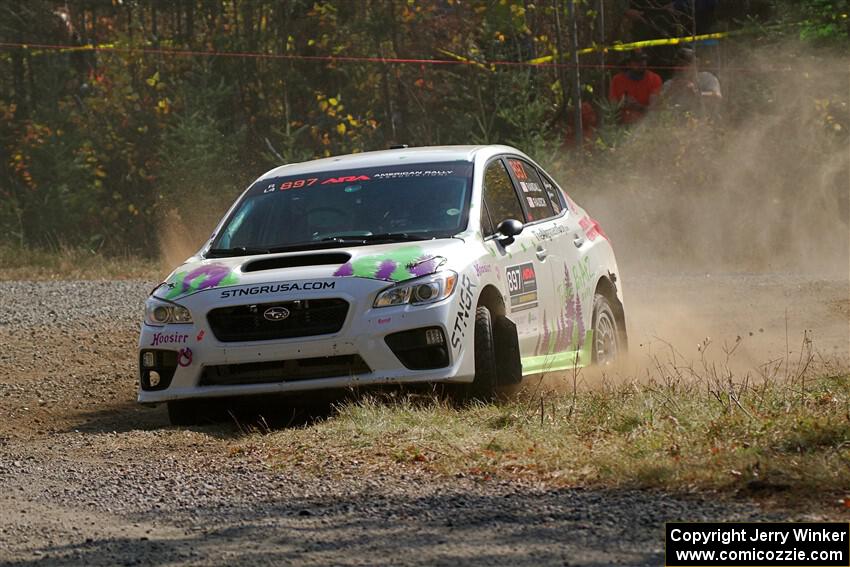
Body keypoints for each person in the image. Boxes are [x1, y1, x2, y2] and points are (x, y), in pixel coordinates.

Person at [660, 47, 721, 114]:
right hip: (677, 122)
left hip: (704, 121)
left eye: (685, 64)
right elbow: (655, 107)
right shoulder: (669, 84)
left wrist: (695, 93)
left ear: (696, 64)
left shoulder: (707, 78)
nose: (681, 68)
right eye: (678, 64)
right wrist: (670, 92)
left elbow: (717, 98)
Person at [609, 50, 663, 124]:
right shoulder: (617, 80)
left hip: (647, 125)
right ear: (628, 64)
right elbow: (612, 108)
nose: (641, 63)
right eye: (637, 61)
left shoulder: (654, 79)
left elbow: (654, 109)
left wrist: (637, 106)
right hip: (623, 126)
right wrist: (622, 104)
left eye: (643, 60)